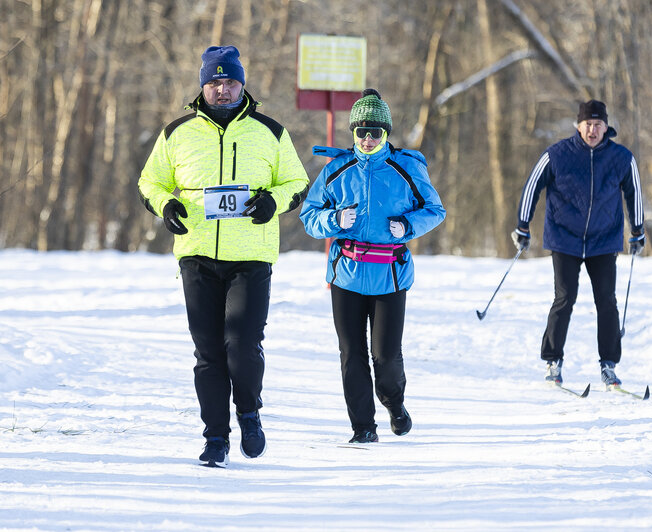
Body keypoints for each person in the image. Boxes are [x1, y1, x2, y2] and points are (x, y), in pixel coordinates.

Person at [138, 45, 309, 467]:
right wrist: (167, 206)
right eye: (214, 82)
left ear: (242, 83)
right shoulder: (176, 133)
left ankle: (249, 412)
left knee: (242, 345)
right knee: (209, 352)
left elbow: (297, 181)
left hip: (251, 255)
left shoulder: (270, 131)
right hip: (196, 255)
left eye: (229, 81)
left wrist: (274, 201)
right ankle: (216, 438)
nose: (221, 89)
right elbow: (150, 182)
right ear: (203, 85)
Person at [299, 88, 445, 444]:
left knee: (385, 355)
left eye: (375, 132)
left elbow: (435, 210)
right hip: (346, 274)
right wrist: (334, 219)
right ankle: (363, 426)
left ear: (386, 133)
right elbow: (309, 216)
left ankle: (394, 404)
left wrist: (408, 225)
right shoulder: (337, 168)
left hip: (389, 275)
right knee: (351, 354)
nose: (367, 139)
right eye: (361, 132)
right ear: (352, 132)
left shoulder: (406, 167)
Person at [512, 100, 645, 388]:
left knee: (607, 301)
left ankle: (608, 365)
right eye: (588, 124)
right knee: (565, 298)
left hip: (604, 240)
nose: (593, 130)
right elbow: (532, 186)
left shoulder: (621, 158)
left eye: (598, 125)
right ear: (579, 126)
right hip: (564, 238)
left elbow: (634, 193)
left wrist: (637, 230)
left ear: (606, 127)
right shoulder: (558, 154)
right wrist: (523, 225)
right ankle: (552, 360)